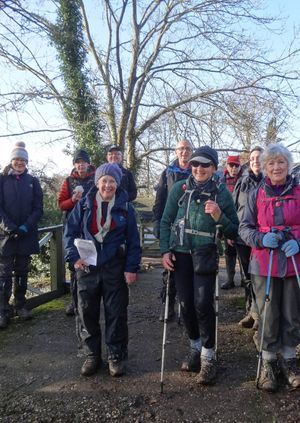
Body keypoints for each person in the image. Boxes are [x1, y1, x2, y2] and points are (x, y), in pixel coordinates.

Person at [160, 146, 239, 385]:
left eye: (205, 165)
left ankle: (208, 356)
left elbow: (234, 229)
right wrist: (165, 250)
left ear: (214, 167)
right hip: (180, 254)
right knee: (185, 305)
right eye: (195, 164)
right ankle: (194, 347)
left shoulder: (221, 193)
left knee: (203, 303)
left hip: (205, 253)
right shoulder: (179, 189)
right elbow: (165, 221)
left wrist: (218, 216)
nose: (199, 169)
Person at [64, 163, 141, 377]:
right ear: (97, 182)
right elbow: (69, 233)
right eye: (104, 181)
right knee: (86, 311)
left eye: (112, 181)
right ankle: (92, 355)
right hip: (87, 266)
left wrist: (131, 268)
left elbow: (134, 242)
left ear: (118, 183)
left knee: (116, 313)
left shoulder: (126, 207)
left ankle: (115, 356)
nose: (108, 185)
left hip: (114, 266)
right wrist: (74, 258)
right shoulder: (84, 205)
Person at [239, 143, 300, 392]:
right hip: (264, 263)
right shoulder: (256, 194)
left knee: (291, 311)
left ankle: (289, 360)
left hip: (294, 261)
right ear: (265, 167)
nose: (276, 167)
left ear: (288, 165)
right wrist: (261, 239)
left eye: (281, 162)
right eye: (272, 163)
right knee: (268, 313)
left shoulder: (298, 192)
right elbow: (244, 228)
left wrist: (298, 242)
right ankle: (268, 362)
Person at [0, 142, 43, 329]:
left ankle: (20, 305)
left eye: (23, 160)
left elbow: (38, 208)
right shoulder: (1, 180)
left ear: (26, 162)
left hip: (26, 234)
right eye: (16, 159)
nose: (19, 162)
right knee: (4, 274)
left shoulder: (33, 181)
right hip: (5, 236)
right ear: (11, 160)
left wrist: (25, 226)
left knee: (22, 271)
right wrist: (10, 227)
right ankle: (3, 310)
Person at [152, 139, 193, 321]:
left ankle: (186, 309)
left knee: (188, 267)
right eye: (181, 149)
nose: (184, 152)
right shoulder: (167, 173)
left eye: (188, 149)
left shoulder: (197, 171)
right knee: (169, 266)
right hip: (171, 224)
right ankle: (167, 305)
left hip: (192, 225)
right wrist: (157, 223)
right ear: (176, 151)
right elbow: (159, 200)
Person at [58, 149, 95, 316]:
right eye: (78, 162)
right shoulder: (68, 181)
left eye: (83, 162)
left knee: (92, 263)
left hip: (92, 228)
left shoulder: (96, 179)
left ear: (88, 163)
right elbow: (61, 204)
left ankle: (90, 302)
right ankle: (74, 302)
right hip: (73, 227)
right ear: (74, 164)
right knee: (74, 265)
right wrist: (73, 201)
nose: (81, 165)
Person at [233, 147, 264, 330]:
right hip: (242, 237)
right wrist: (231, 232)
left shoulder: (270, 181)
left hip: (261, 238)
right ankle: (250, 312)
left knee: (260, 276)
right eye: (252, 158)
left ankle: (261, 314)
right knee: (247, 277)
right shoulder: (241, 182)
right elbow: (233, 206)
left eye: (259, 158)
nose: (255, 161)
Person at [220, 155, 243, 290]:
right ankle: (230, 279)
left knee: (242, 252)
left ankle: (244, 280)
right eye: (231, 165)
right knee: (229, 253)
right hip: (227, 221)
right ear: (227, 166)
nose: (234, 168)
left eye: (236, 165)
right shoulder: (221, 182)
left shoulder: (244, 180)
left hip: (242, 221)